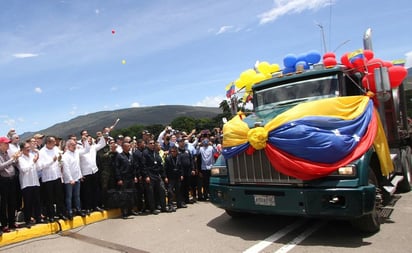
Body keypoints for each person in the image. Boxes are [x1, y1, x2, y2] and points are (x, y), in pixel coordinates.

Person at [38, 136, 67, 222]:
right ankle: (50, 215)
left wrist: (61, 161)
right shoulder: (42, 152)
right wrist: (52, 160)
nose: (55, 143)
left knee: (59, 197)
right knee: (49, 198)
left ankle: (60, 213)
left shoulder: (56, 149)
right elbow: (41, 166)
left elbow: (60, 159)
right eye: (53, 142)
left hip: (57, 176)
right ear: (48, 143)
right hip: (48, 178)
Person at [79, 130, 106, 214]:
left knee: (96, 190)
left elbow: (103, 144)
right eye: (87, 140)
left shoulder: (93, 147)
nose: (89, 141)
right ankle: (88, 207)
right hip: (85, 173)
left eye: (90, 140)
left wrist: (101, 136)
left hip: (94, 171)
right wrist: (80, 174)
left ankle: (96, 206)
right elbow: (78, 163)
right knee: (87, 191)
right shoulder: (80, 150)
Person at [17, 142, 43, 228]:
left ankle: (38, 218)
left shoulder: (32, 156)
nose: (28, 149)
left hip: (35, 182)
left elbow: (38, 167)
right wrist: (33, 162)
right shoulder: (20, 158)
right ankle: (27, 220)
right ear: (22, 149)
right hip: (26, 184)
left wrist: (37, 160)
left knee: (37, 202)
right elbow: (24, 169)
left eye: (29, 147)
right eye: (27, 147)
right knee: (28, 203)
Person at [142, 140, 169, 214]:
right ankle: (152, 209)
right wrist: (146, 176)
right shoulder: (145, 153)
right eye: (150, 143)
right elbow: (143, 166)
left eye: (153, 143)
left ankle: (163, 207)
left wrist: (164, 176)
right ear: (147, 144)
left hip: (157, 175)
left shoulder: (156, 153)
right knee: (151, 193)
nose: (152, 144)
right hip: (150, 175)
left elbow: (160, 165)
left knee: (162, 190)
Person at [0, 136, 21, 233]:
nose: (8, 145)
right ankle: (4, 224)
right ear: (0, 145)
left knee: (12, 201)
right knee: (4, 204)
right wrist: (12, 159)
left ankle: (12, 222)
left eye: (8, 143)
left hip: (12, 179)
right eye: (6, 143)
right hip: (3, 181)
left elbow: (12, 164)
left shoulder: (8, 153)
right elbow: (1, 167)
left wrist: (16, 159)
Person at [61, 139, 86, 220]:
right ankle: (69, 211)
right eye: (72, 145)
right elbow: (66, 169)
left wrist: (80, 175)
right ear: (68, 146)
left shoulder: (76, 153)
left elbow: (77, 166)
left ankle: (78, 209)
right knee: (69, 196)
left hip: (77, 178)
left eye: (75, 144)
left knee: (77, 196)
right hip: (69, 180)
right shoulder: (65, 156)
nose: (74, 146)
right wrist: (70, 179)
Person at [114, 141, 139, 218]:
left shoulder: (131, 156)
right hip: (123, 178)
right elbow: (116, 168)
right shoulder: (119, 156)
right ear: (123, 147)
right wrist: (119, 179)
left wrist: (135, 176)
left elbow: (134, 167)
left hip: (131, 178)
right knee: (124, 196)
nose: (129, 147)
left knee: (131, 195)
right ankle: (124, 212)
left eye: (129, 146)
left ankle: (130, 210)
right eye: (127, 146)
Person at [164, 146, 186, 211]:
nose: (173, 153)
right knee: (170, 192)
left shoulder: (179, 158)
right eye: (171, 152)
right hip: (170, 177)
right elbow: (165, 169)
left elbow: (181, 167)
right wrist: (165, 177)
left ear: (177, 152)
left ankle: (179, 203)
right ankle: (170, 205)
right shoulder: (168, 159)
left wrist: (182, 175)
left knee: (178, 191)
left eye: (174, 151)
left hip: (177, 177)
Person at [176, 138, 195, 205]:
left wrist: (193, 169)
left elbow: (191, 160)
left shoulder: (187, 150)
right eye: (181, 142)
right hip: (181, 172)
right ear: (178, 143)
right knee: (181, 187)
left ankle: (187, 199)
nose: (182, 143)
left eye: (183, 141)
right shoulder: (177, 151)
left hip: (188, 171)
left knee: (187, 186)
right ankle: (182, 200)